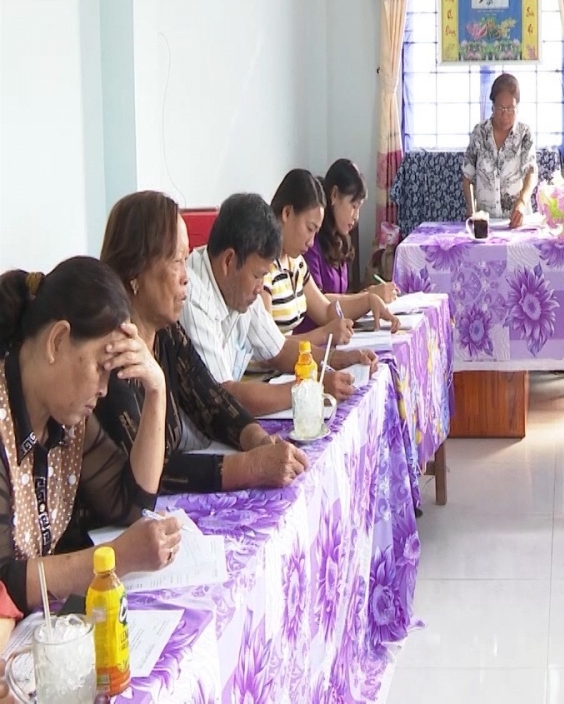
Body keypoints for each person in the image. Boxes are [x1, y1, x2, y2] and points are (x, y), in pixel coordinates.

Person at [0, 257, 179, 614]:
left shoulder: (66, 421)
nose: (103, 390)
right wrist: (115, 557)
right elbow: (4, 581)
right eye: (100, 367)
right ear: (58, 341)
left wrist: (156, 389)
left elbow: (130, 502)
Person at [97, 191, 308, 493]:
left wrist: (259, 440)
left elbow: (211, 399)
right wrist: (251, 466)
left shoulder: (165, 332)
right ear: (136, 272)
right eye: (176, 262)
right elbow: (150, 471)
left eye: (186, 260)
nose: (186, 277)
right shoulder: (112, 354)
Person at [179, 193, 372, 418]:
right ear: (229, 261)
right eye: (257, 276)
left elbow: (278, 349)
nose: (260, 287)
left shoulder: (239, 283)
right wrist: (311, 387)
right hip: (199, 439)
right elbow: (223, 395)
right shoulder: (192, 296)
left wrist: (340, 360)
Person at [266, 169, 398, 340]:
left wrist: (368, 300)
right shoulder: (263, 268)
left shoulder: (295, 262)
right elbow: (271, 348)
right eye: (309, 229)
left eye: (316, 232)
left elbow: (326, 310)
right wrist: (325, 335)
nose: (311, 242)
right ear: (287, 213)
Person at [305, 159, 398, 301]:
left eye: (359, 208)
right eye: (353, 206)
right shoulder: (311, 243)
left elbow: (341, 299)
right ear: (334, 195)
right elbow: (321, 304)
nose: (356, 216)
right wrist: (367, 297)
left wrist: (368, 293)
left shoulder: (340, 240)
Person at [462, 73, 537, 228]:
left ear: (518, 107)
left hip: (516, 220)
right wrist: (471, 208)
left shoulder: (524, 133)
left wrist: (522, 202)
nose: (505, 115)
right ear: (492, 106)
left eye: (510, 109)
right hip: (485, 222)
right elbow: (467, 176)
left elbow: (531, 172)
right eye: (500, 108)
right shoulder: (479, 133)